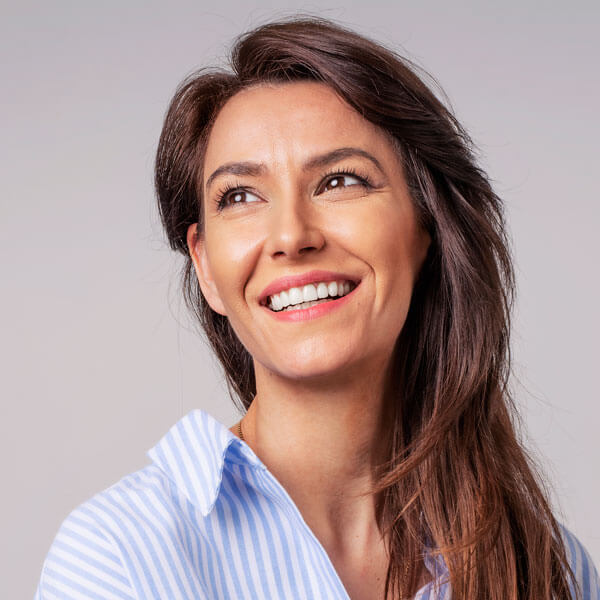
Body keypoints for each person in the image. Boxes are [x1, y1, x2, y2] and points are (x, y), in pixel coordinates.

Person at [34, 16, 600, 600]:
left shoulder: (547, 568)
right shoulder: (118, 557)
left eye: (340, 181)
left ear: (425, 227)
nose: (290, 235)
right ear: (205, 266)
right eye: (241, 196)